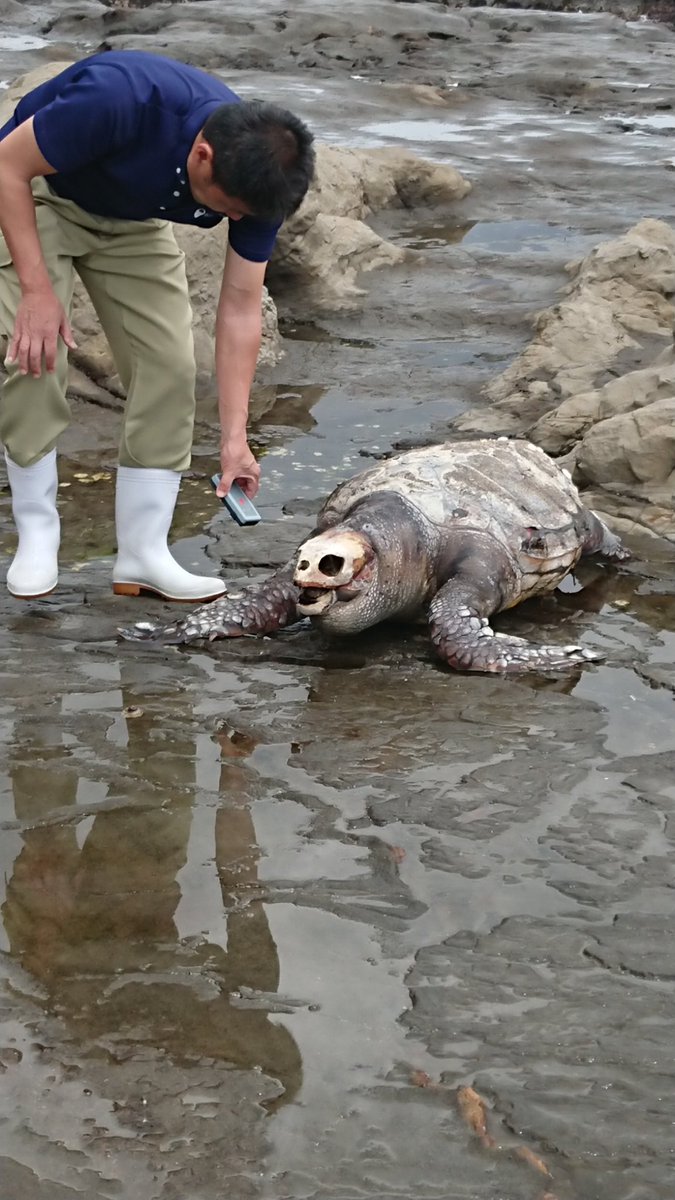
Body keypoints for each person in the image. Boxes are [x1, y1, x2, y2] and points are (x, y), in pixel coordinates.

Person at [0, 50, 315, 601]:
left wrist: (236, 440)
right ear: (201, 154)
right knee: (36, 353)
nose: (236, 221)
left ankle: (143, 554)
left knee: (170, 366)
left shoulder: (261, 187)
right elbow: (6, 165)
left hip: (131, 222)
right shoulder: (120, 98)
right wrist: (35, 292)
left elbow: (241, 307)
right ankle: (37, 531)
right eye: (229, 209)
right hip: (39, 193)